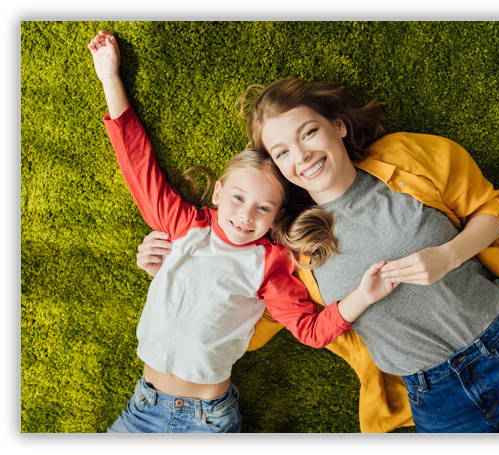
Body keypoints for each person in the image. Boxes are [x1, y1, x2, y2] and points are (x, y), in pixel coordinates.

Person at [141, 77, 499, 433]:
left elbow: (491, 210)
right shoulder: (288, 246)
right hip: (433, 396)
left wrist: (449, 255)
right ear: (278, 167)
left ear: (337, 126)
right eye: (282, 152)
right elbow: (245, 322)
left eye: (309, 132)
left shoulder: (408, 156)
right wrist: (177, 269)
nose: (301, 155)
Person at [89, 31, 397, 433]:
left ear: (276, 216)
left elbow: (309, 331)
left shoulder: (269, 264)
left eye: (263, 208)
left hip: (207, 419)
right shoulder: (184, 225)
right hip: (142, 407)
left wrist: (362, 297)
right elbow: (137, 167)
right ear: (218, 191)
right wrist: (110, 80)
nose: (245, 215)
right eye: (237, 197)